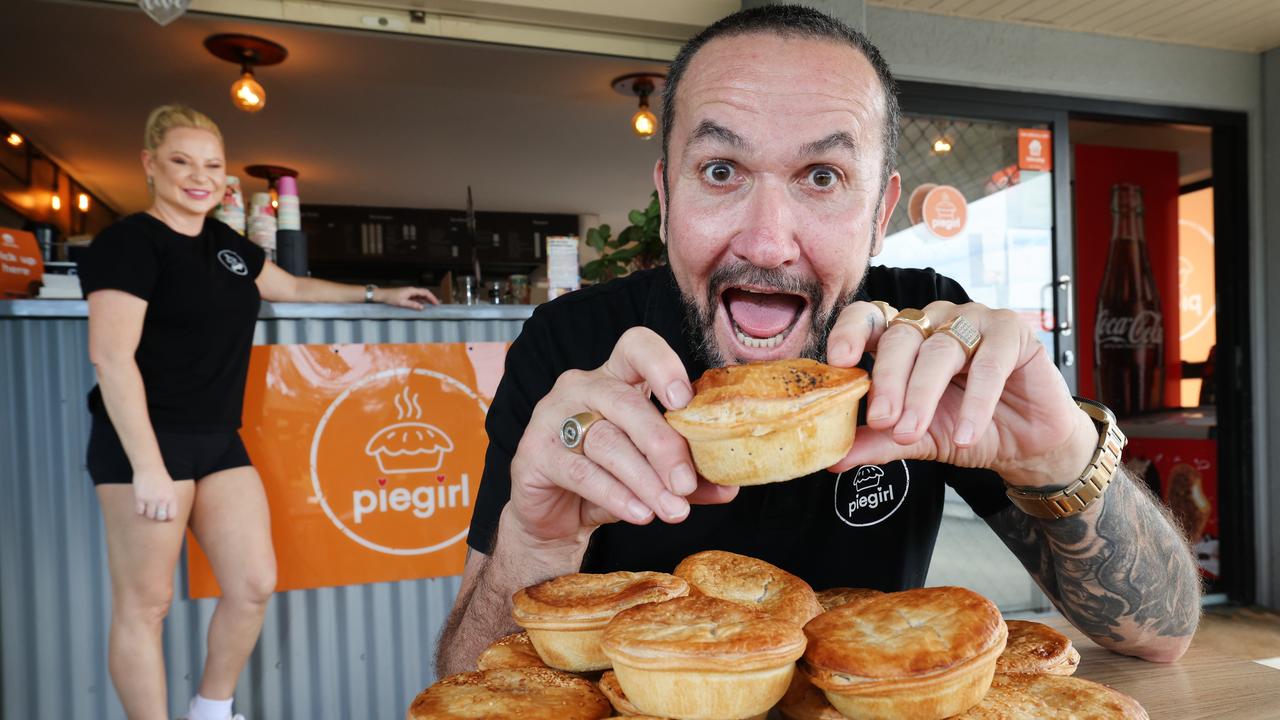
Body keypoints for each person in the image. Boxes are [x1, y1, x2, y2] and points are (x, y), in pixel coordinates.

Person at [435, 6, 1200, 677]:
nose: (768, 244)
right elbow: (466, 684)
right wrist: (533, 546)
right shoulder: (574, 348)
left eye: (824, 176)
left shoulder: (925, 329)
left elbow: (1160, 638)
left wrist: (1057, 457)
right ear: (667, 196)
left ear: (881, 209)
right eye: (721, 169)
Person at [78, 104, 437, 720]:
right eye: (181, 161)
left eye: (212, 165)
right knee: (147, 605)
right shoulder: (128, 243)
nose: (199, 176)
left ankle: (210, 710)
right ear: (149, 164)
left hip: (217, 439)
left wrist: (378, 292)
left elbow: (290, 287)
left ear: (225, 178)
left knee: (252, 584)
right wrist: (148, 467)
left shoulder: (225, 246)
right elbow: (111, 360)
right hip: (143, 442)